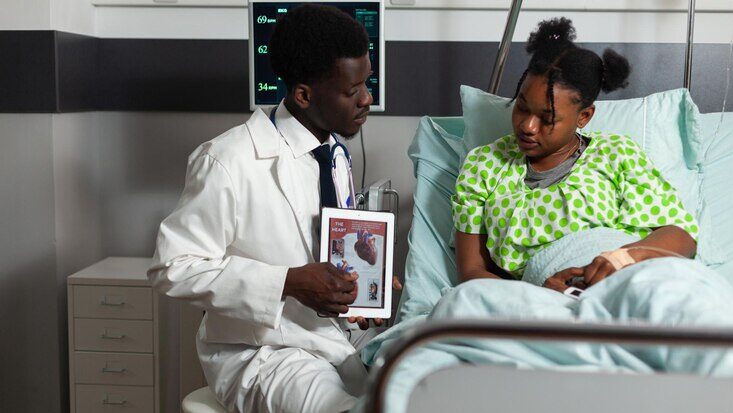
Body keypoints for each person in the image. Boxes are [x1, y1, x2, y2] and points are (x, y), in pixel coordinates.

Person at [148, 5, 397, 413]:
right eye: (353, 91)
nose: (367, 98)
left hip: (330, 338)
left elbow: (327, 249)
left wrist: (364, 288)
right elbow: (171, 268)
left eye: (366, 83)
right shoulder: (227, 160)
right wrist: (287, 282)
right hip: (261, 352)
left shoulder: (333, 154)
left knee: (413, 391)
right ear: (304, 95)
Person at [452, 17, 699, 287]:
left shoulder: (617, 153)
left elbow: (681, 234)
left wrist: (622, 258)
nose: (527, 126)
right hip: (543, 292)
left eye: (547, 118)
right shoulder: (484, 166)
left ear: (584, 116)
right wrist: (538, 293)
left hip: (631, 275)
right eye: (521, 107)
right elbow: (472, 271)